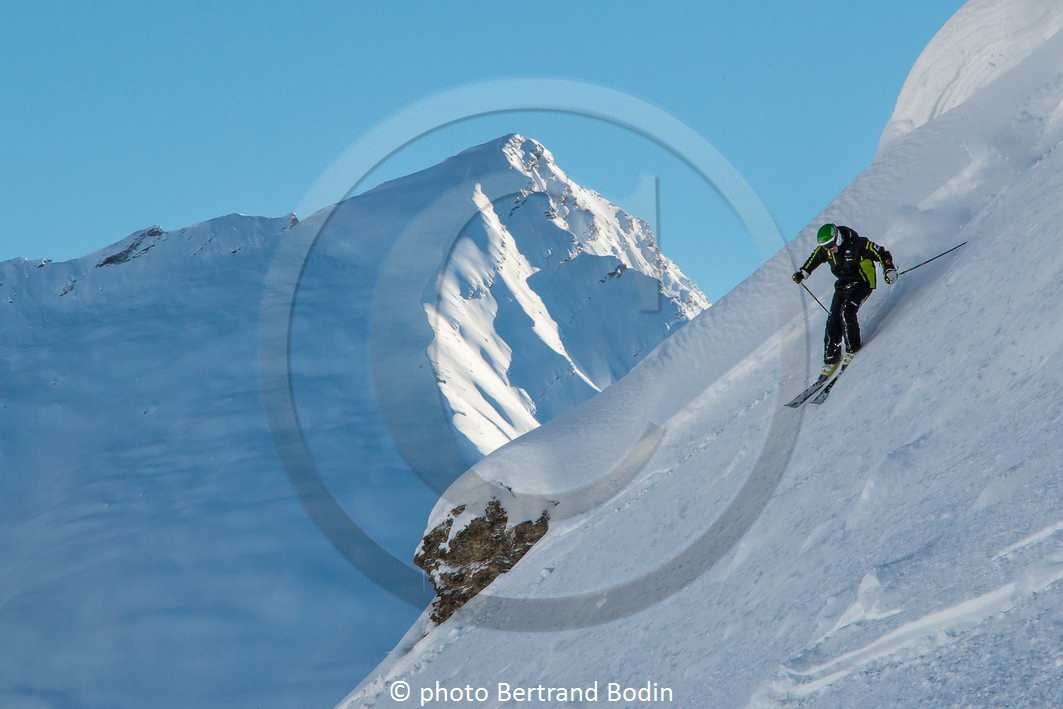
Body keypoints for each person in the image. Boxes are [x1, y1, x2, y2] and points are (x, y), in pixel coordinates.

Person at [792, 223, 897, 376]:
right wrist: (803, 272)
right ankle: (831, 358)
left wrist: (888, 269)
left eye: (831, 245)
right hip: (843, 284)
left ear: (838, 238)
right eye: (825, 246)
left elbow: (881, 253)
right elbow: (814, 258)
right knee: (833, 318)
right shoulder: (826, 250)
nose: (829, 249)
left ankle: (852, 348)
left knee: (846, 312)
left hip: (863, 282)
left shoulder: (857, 244)